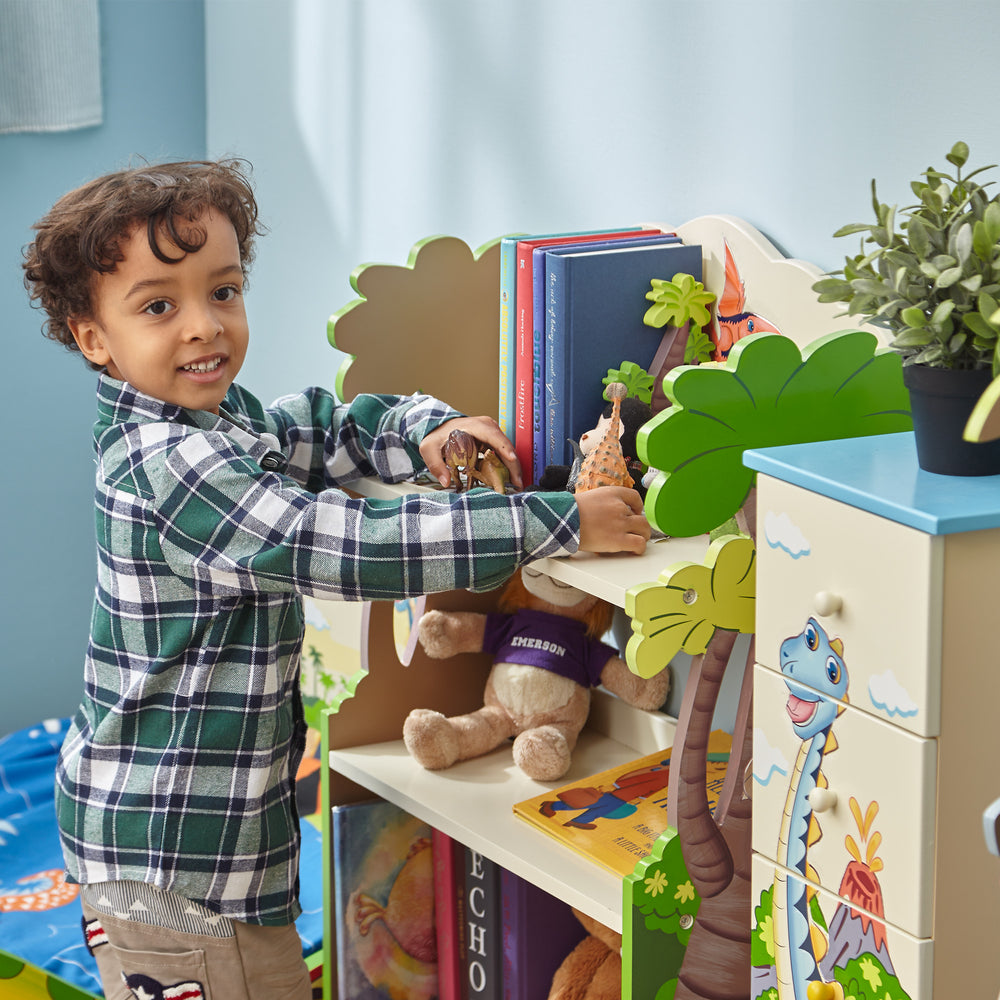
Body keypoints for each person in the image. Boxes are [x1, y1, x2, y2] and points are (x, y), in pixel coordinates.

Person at [23, 159, 651, 999]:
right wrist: (559, 522)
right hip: (180, 862)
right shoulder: (172, 463)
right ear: (93, 337)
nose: (206, 327)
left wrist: (430, 430)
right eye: (159, 306)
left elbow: (317, 426)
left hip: (174, 841)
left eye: (224, 291)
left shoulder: (217, 420)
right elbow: (334, 543)